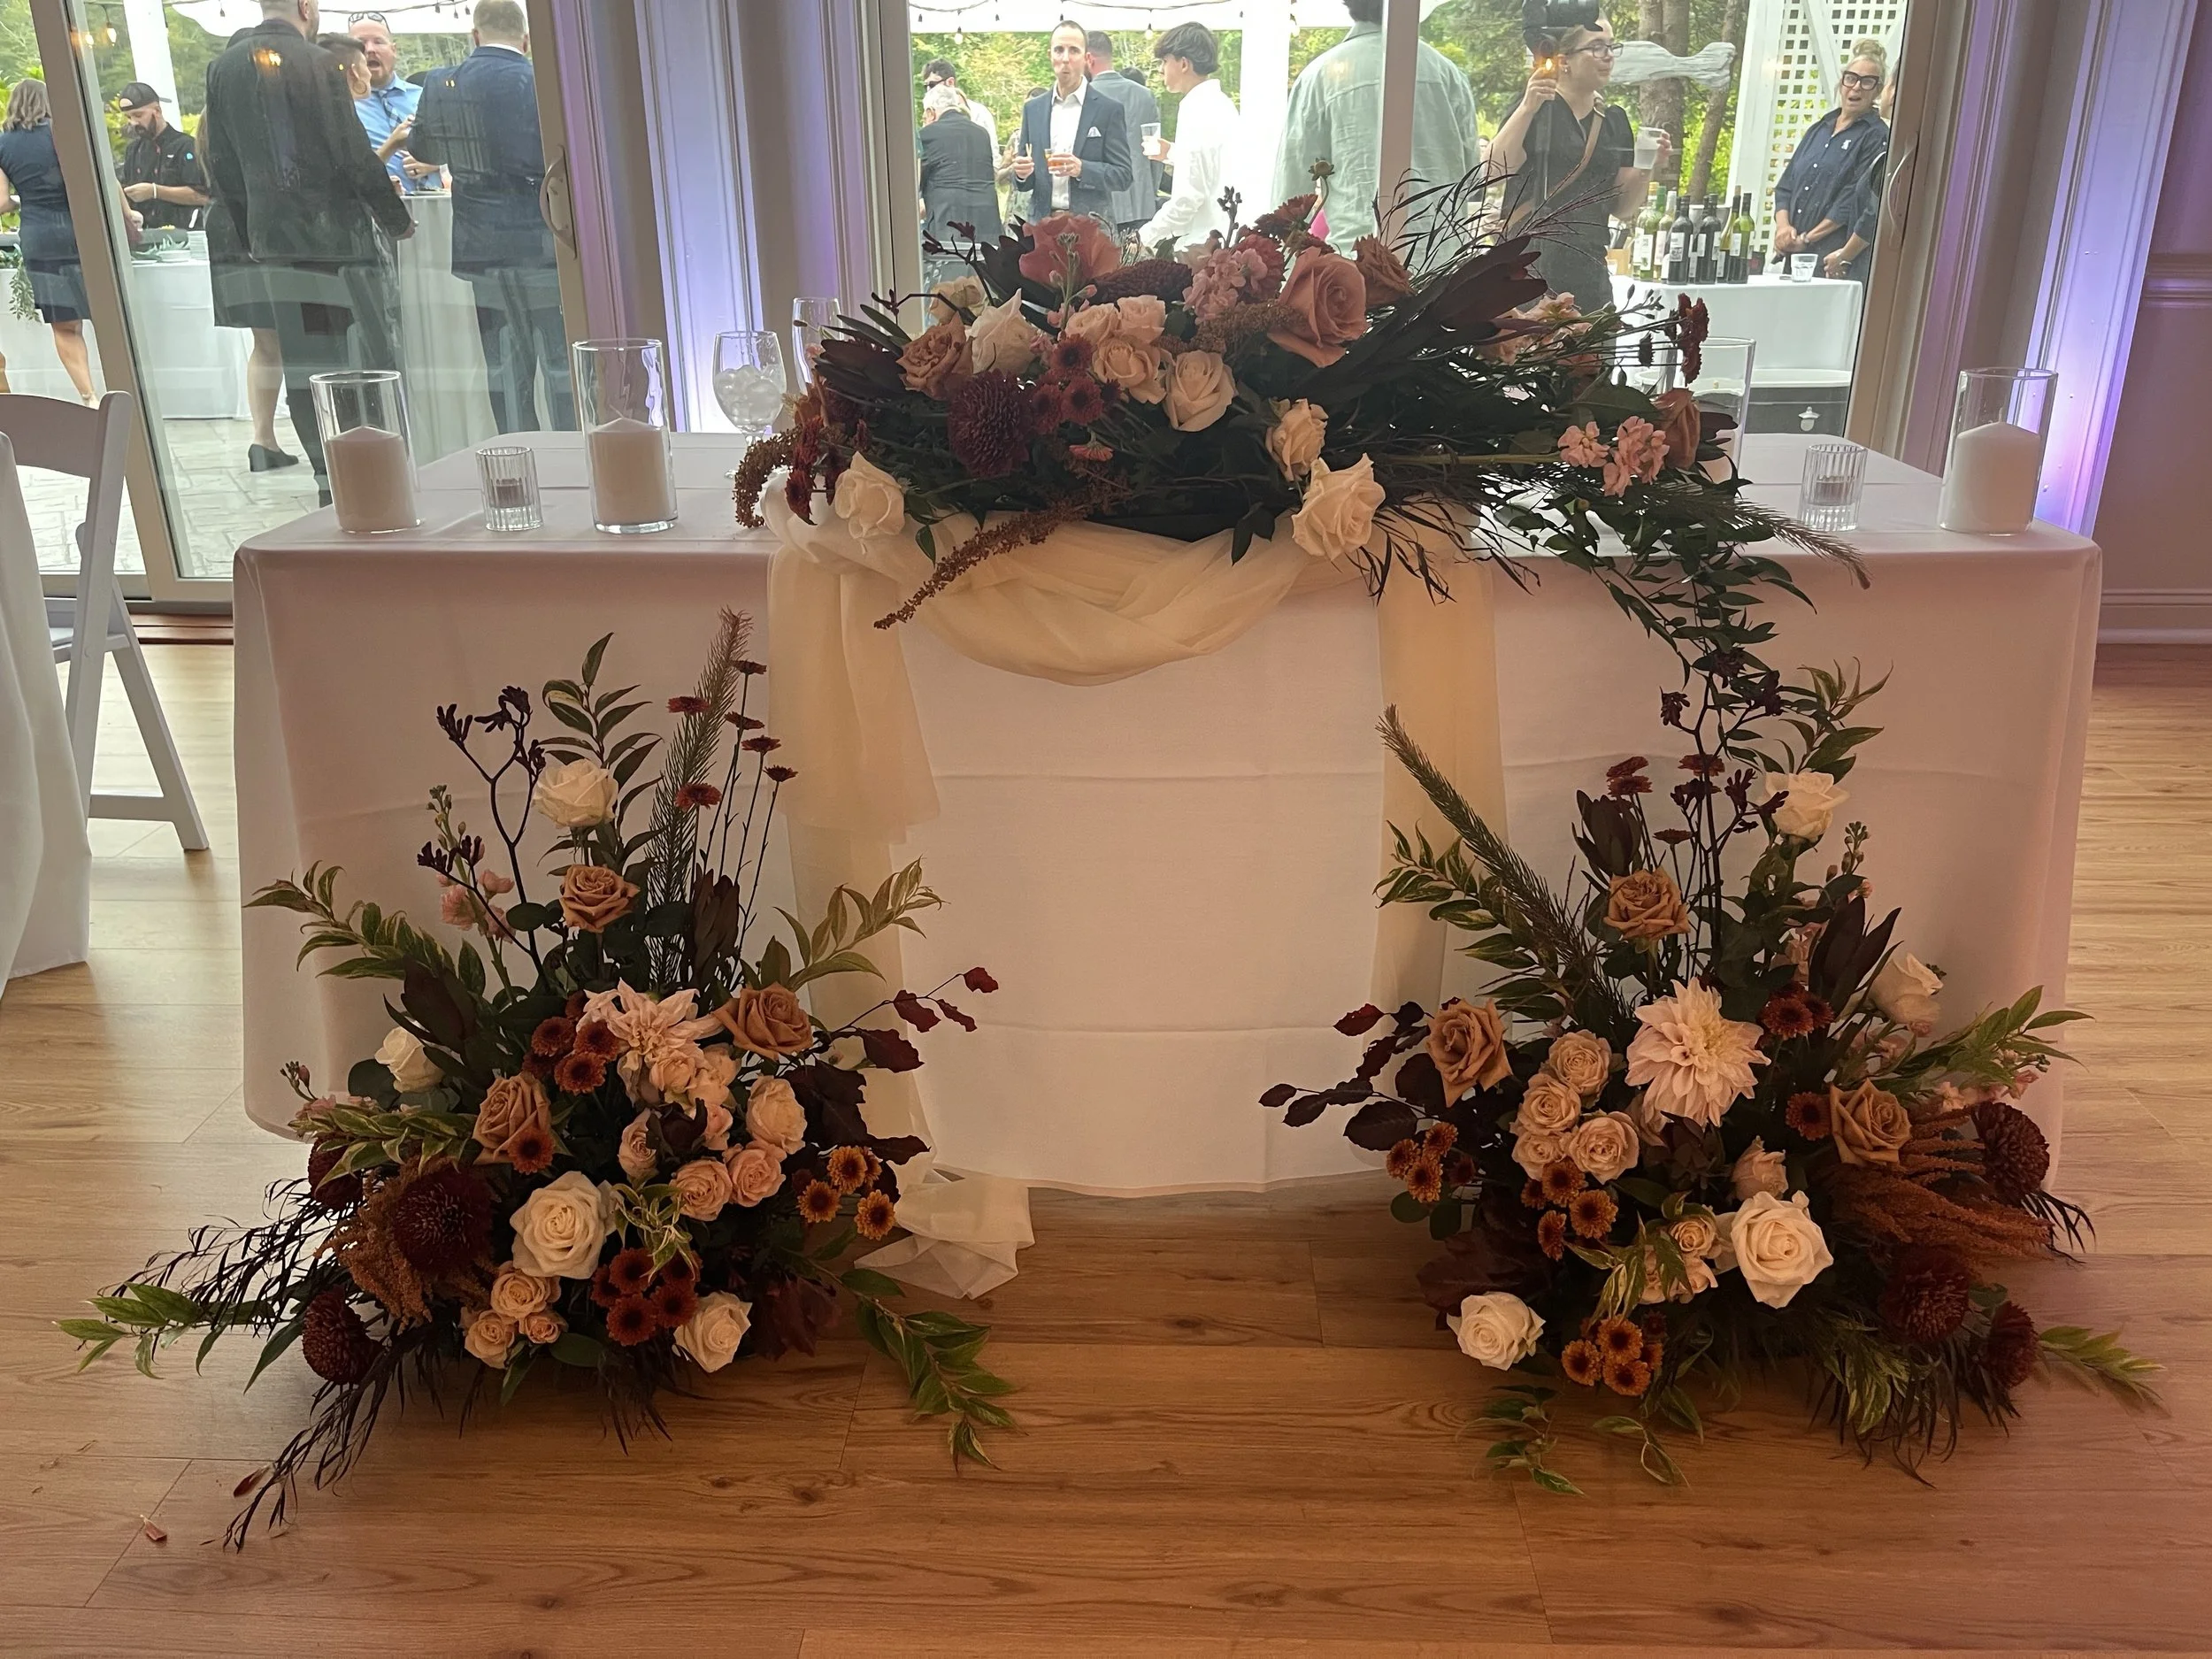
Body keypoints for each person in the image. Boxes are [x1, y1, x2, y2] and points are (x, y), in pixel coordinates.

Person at [204, 0, 414, 494]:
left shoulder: (224, 67)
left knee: (302, 360)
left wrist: (248, 230)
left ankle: (326, 473)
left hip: (272, 241)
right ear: (306, 6)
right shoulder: (320, 63)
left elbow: (223, 161)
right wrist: (396, 219)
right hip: (336, 240)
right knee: (361, 356)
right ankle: (370, 466)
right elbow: (351, 153)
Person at [409, 0, 575, 433]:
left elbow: (426, 151)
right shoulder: (540, 80)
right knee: (559, 364)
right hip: (542, 239)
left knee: (504, 364)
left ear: (475, 35)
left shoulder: (441, 82)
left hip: (480, 245)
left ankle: (520, 459)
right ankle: (570, 456)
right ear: (524, 38)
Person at [1487, 14, 1660, 316]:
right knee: (1527, 358)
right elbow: (1494, 170)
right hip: (1527, 270)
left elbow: (1622, 208)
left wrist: (1647, 166)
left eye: (1611, 46)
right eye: (1596, 47)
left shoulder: (1614, 120)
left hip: (1590, 272)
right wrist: (1528, 108)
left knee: (1590, 361)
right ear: (1564, 59)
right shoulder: (1535, 106)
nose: (1608, 56)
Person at [1275, 1, 1481, 250]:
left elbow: (1291, 195)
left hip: (1357, 264)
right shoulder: (1447, 74)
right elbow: (1471, 177)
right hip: (1441, 261)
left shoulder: (1318, 77)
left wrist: (1286, 277)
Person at [0, 80, 97, 403]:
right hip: (79, 230)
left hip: (40, 235)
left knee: (65, 325)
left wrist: (21, 198)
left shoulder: (3, 144)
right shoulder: (62, 133)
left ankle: (89, 396)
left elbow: (1, 203)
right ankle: (123, 391)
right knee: (104, 313)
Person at [1772, 43, 1890, 282]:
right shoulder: (1819, 128)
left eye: (1867, 82)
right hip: (1793, 258)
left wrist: (1806, 239)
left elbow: (1851, 201)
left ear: (1877, 90)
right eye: (1851, 78)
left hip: (1830, 261)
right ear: (1841, 82)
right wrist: (1784, 230)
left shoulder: (1875, 135)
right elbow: (1786, 186)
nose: (1856, 87)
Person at [1009, 19, 1133, 229]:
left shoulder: (1108, 109)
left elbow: (1123, 176)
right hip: (1041, 227)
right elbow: (1024, 177)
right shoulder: (1033, 109)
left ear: (1086, 59)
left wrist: (1082, 169)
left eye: (1073, 50)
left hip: (1091, 228)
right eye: (1059, 50)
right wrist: (1021, 174)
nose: (1065, 58)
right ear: (1050, 55)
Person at [1135, 23, 1239, 252]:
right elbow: (1212, 160)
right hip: (1228, 235)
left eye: (1164, 61)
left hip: (1206, 245)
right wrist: (1172, 152)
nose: (1161, 70)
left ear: (1183, 64)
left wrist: (1143, 238)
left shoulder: (1195, 109)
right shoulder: (1222, 103)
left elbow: (1188, 198)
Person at [918, 80, 1002, 274]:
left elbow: (914, 184)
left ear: (930, 112)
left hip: (948, 229)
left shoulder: (926, 135)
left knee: (952, 294)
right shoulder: (982, 134)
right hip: (987, 227)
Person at [1083, 29, 1160, 234]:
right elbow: (1156, 155)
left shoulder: (1082, 99)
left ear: (1088, 59)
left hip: (1097, 210)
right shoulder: (1145, 96)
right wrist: (1150, 193)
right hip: (1141, 203)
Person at [350, 13, 439, 193]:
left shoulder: (425, 97)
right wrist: (392, 144)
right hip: (376, 211)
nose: (370, 50)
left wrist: (436, 163)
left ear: (394, 50)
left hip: (435, 209)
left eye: (378, 42)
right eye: (361, 44)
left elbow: (464, 153)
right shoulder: (343, 106)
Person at [116, 82, 208, 233]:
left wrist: (155, 191)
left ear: (157, 110)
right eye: (128, 117)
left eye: (138, 115)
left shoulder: (185, 146)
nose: (133, 123)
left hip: (184, 235)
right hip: (146, 236)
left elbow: (202, 196)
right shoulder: (133, 150)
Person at [921, 58, 996, 150]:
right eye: (926, 86)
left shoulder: (979, 112)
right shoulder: (930, 113)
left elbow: (992, 150)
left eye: (932, 85)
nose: (929, 91)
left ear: (950, 82)